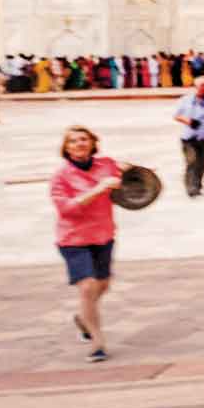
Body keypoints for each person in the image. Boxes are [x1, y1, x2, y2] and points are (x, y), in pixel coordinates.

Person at [51, 125, 124, 362]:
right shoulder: (61, 176)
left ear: (93, 143)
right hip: (73, 239)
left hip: (103, 234)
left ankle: (84, 318)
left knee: (102, 285)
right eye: (73, 141)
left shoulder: (107, 165)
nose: (79, 144)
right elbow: (67, 208)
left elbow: (128, 181)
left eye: (84, 139)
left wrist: (131, 173)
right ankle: (97, 342)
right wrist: (99, 188)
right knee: (88, 287)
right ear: (66, 148)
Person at [172, 78, 204, 196]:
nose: (202, 88)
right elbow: (176, 115)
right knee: (191, 161)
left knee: (202, 163)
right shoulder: (186, 100)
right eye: (200, 86)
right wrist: (188, 121)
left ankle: (198, 185)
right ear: (195, 86)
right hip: (188, 138)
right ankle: (190, 187)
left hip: (203, 137)